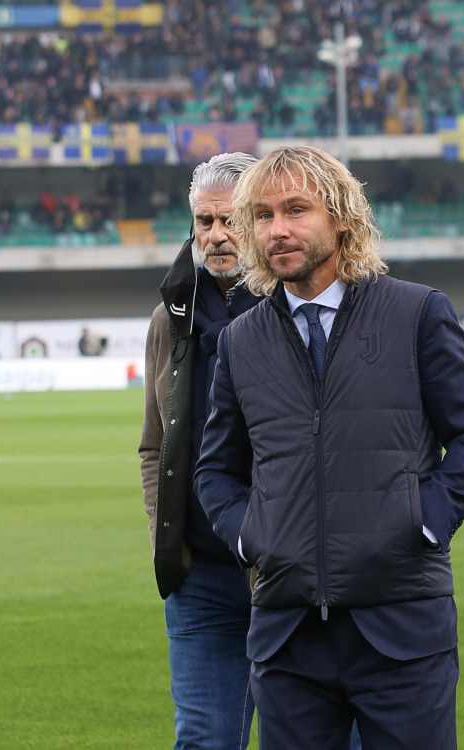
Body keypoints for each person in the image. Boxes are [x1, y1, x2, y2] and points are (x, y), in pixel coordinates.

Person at [195, 146, 464, 749]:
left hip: (402, 626)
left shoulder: (417, 313)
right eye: (262, 216)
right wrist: (251, 536)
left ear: (341, 216)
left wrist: (422, 523)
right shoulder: (241, 340)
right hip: (287, 634)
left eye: (296, 210)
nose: (277, 229)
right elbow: (216, 471)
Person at [138, 152, 263, 749]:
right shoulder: (170, 317)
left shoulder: (297, 306)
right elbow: (153, 443)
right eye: (203, 222)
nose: (215, 236)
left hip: (291, 571)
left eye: (228, 220)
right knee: (204, 741)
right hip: (202, 576)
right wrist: (166, 532)